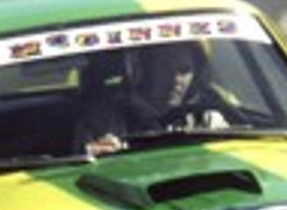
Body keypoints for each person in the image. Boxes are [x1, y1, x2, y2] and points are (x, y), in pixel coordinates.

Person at [77, 41, 228, 155]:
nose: (175, 79)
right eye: (164, 67)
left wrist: (222, 135)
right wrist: (92, 150)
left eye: (184, 70)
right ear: (144, 69)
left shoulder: (207, 110)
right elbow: (72, 162)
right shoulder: (104, 115)